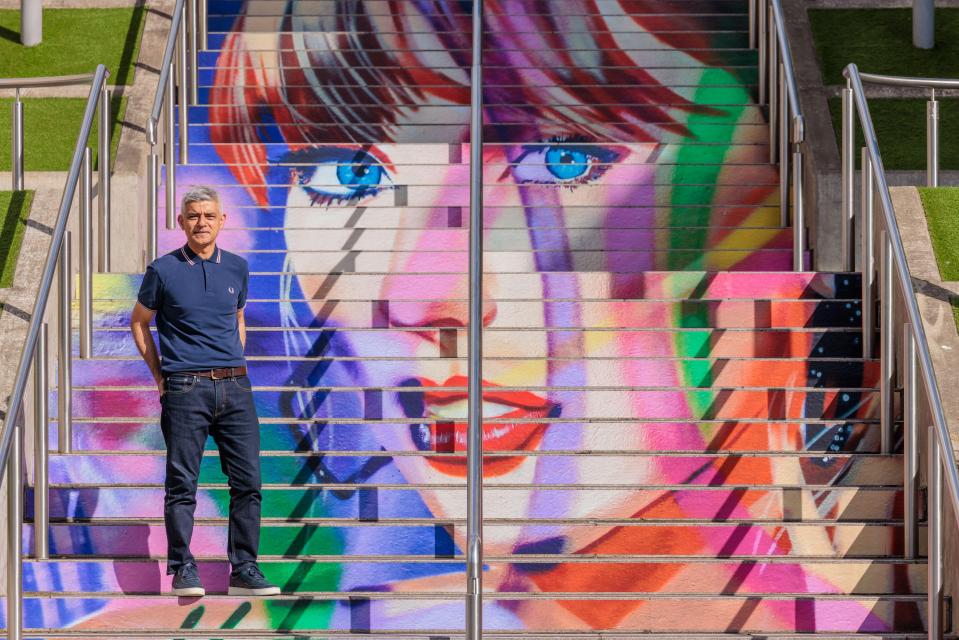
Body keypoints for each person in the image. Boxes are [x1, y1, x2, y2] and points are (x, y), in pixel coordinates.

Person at [129, 185, 280, 598]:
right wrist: (161, 377)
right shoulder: (162, 270)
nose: (201, 222)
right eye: (193, 215)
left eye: (209, 215)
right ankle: (183, 567)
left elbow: (238, 317)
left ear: (222, 221)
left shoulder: (237, 267)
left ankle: (244, 568)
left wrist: (235, 361)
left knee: (248, 482)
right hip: (184, 389)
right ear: (181, 222)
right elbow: (140, 321)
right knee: (183, 485)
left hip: (235, 387)